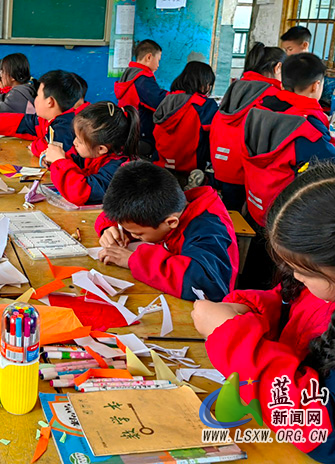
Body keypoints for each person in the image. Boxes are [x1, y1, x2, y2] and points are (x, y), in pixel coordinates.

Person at [193, 164, 335, 463]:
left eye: (304, 270)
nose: (294, 276)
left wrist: (235, 340)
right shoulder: (328, 286)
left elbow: (330, 434)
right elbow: (288, 302)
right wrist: (246, 309)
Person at [96, 160, 238, 301]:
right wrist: (109, 228)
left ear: (171, 222)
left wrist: (133, 260)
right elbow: (121, 213)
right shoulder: (168, 205)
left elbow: (205, 285)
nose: (133, 236)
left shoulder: (209, 230)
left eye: (138, 234)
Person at [243, 53, 335, 228]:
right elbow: (332, 162)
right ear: (315, 86)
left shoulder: (261, 106)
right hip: (283, 215)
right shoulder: (306, 125)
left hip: (255, 201)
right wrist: (334, 141)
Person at [210, 42, 284, 211]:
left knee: (228, 210)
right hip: (247, 169)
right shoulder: (272, 95)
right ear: (278, 67)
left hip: (221, 164)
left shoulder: (236, 87)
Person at [0, 70, 83, 157]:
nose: (35, 99)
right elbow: (19, 122)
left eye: (38, 96)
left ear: (50, 102)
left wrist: (35, 146)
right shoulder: (47, 119)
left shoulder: (66, 127)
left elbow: (50, 151)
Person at [43, 101, 139, 206]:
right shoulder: (94, 154)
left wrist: (59, 162)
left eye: (80, 141)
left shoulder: (118, 170)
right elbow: (75, 162)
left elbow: (80, 192)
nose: (74, 142)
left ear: (101, 149)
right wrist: (55, 160)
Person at [153, 61, 218, 180]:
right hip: (189, 171)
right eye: (209, 84)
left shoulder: (167, 99)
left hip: (160, 165)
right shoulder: (204, 105)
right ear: (204, 83)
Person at [114, 39, 168, 156]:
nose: (158, 65)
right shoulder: (142, 79)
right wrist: (177, 96)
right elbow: (159, 102)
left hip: (127, 133)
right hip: (140, 136)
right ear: (149, 57)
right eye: (158, 60)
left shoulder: (129, 74)